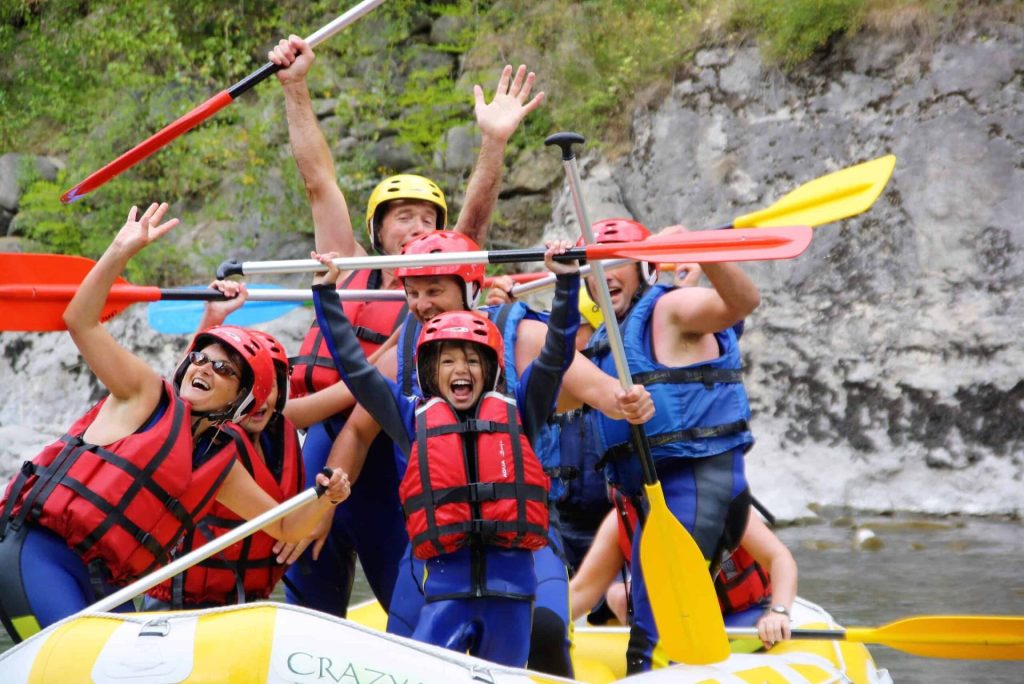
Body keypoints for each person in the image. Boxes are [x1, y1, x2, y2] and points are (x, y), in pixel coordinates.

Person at [267, 34, 544, 617]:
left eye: (427, 217)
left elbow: (471, 226)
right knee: (308, 595)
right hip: (322, 448)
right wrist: (295, 88)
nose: (418, 227)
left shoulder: (443, 298)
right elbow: (318, 180)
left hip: (395, 449)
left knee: (408, 601)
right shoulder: (346, 272)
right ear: (376, 234)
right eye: (402, 217)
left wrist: (492, 145)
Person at [0, 204, 349, 643]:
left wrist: (327, 500)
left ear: (243, 401)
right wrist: (120, 250)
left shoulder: (218, 463)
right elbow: (79, 320)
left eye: (223, 371)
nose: (204, 368)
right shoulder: (143, 394)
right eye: (201, 359)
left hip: (109, 585)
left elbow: (283, 526)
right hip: (39, 553)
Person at [321, 231, 654, 677]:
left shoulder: (521, 407)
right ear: (428, 370)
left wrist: (567, 282)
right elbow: (354, 368)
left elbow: (557, 355)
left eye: (472, 361)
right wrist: (325, 293)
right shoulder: (410, 417)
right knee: (406, 657)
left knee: (545, 636)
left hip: (513, 574)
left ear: (493, 367)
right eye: (413, 293)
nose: (460, 371)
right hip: (440, 572)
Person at [581, 218, 761, 673]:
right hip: (655, 500)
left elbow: (742, 302)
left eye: (615, 262)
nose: (602, 274)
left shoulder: (672, 308)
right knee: (648, 623)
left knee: (655, 631)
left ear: (645, 269)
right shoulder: (607, 339)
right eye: (593, 267)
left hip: (699, 488)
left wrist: (700, 248)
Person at [144, 321, 306, 609]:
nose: (261, 401)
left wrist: (322, 512)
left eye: (269, 388)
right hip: (176, 600)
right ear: (238, 397)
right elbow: (184, 393)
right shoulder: (206, 440)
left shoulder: (282, 435)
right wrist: (211, 317)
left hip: (247, 602)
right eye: (255, 389)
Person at [569, 493, 797, 650]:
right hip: (679, 625)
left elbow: (779, 558)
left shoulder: (723, 503)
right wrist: (540, 621)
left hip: (743, 616)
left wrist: (779, 612)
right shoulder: (621, 519)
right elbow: (581, 590)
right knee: (618, 596)